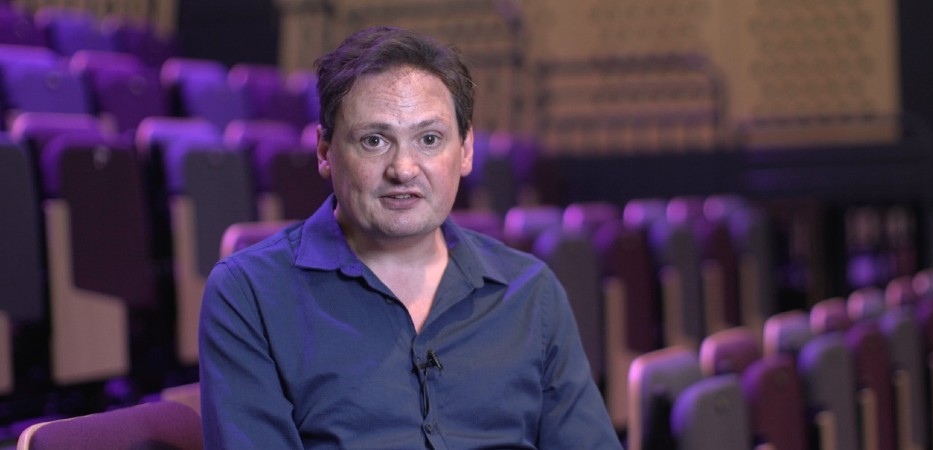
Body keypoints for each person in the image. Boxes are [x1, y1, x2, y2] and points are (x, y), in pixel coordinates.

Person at [199, 26, 620, 449]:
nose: (403, 168)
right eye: (375, 140)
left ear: (467, 150)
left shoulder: (532, 293)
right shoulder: (249, 295)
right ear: (325, 152)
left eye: (429, 139)